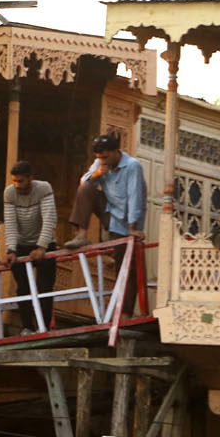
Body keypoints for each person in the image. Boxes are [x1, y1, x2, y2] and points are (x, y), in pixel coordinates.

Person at [64, 134, 147, 315]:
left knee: (125, 267)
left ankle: (124, 314)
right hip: (110, 212)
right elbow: (84, 182)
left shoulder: (132, 166)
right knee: (86, 187)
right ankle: (82, 235)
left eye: (105, 157)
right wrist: (98, 173)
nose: (102, 160)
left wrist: (133, 227)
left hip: (127, 221)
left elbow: (135, 197)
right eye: (99, 157)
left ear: (115, 152)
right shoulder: (101, 163)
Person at [2, 161, 58, 334]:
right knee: (23, 288)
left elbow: (50, 219)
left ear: (30, 178)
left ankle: (44, 327)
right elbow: (10, 224)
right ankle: (27, 326)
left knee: (44, 287)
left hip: (45, 243)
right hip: (21, 244)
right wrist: (11, 250)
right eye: (15, 181)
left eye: (21, 181)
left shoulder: (43, 188)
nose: (17, 185)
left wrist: (42, 246)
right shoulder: (10, 192)